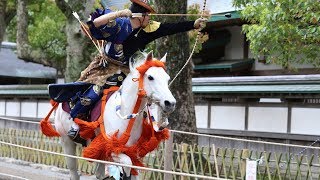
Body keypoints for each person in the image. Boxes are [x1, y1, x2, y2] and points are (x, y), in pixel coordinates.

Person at [49, 0, 207, 145]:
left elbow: (169, 28)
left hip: (127, 70)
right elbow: (95, 24)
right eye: (147, 16)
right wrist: (118, 14)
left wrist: (193, 24)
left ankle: (149, 125)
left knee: (143, 94)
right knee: (95, 91)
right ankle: (75, 121)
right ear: (139, 17)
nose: (149, 19)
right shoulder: (119, 24)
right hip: (106, 66)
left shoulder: (147, 30)